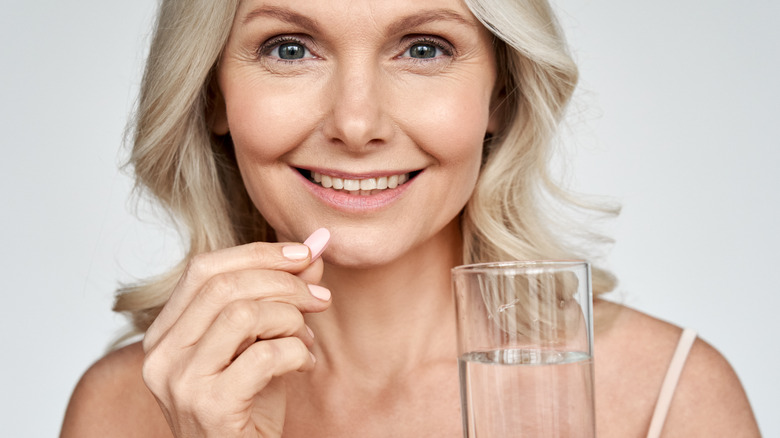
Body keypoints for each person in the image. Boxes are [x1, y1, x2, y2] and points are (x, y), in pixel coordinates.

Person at [61, 0, 760, 436]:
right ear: (213, 92)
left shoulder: (669, 398)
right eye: (289, 48)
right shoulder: (123, 411)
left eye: (424, 47)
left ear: (500, 94)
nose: (356, 122)